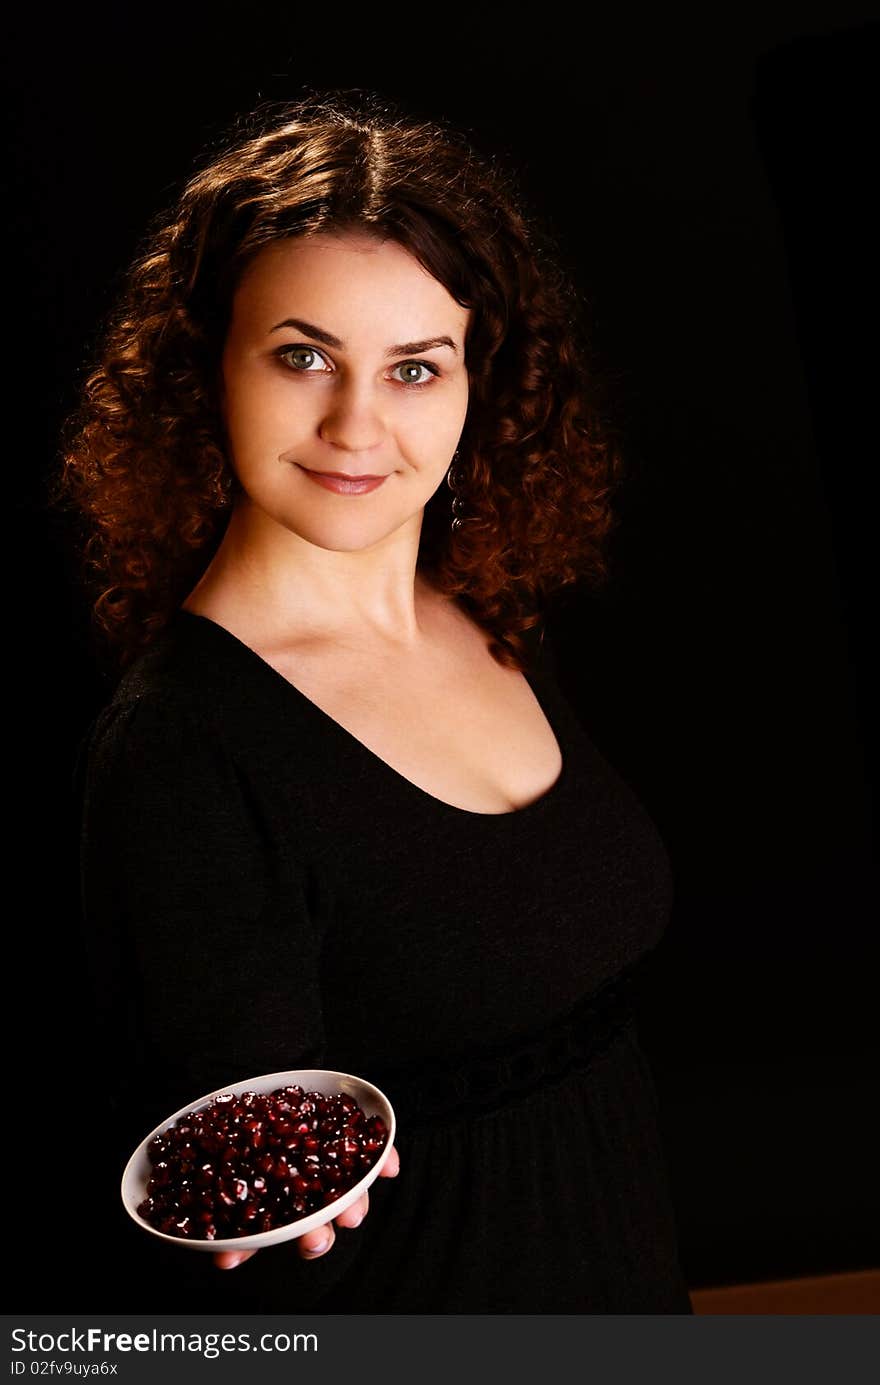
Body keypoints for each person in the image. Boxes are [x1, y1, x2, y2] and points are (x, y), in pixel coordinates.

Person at [56, 90, 693, 1313]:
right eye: (303, 356)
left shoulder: (491, 614)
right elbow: (232, 1136)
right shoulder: (184, 744)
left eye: (415, 367)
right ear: (207, 364)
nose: (359, 425)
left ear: (475, 384)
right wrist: (253, 1185)